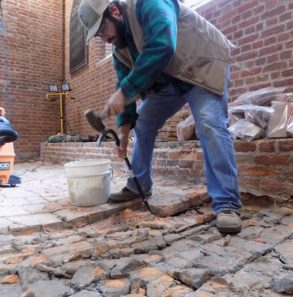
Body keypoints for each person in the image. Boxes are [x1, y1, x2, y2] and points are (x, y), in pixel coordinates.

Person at [78, 0, 243, 234]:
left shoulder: (149, 4)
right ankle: (139, 185)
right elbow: (123, 88)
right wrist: (124, 133)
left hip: (201, 64)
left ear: (114, 12)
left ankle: (227, 203)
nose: (103, 38)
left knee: (209, 123)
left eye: (102, 30)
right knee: (143, 121)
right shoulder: (120, 50)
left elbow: (162, 45)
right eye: (98, 36)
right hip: (169, 81)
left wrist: (125, 91)